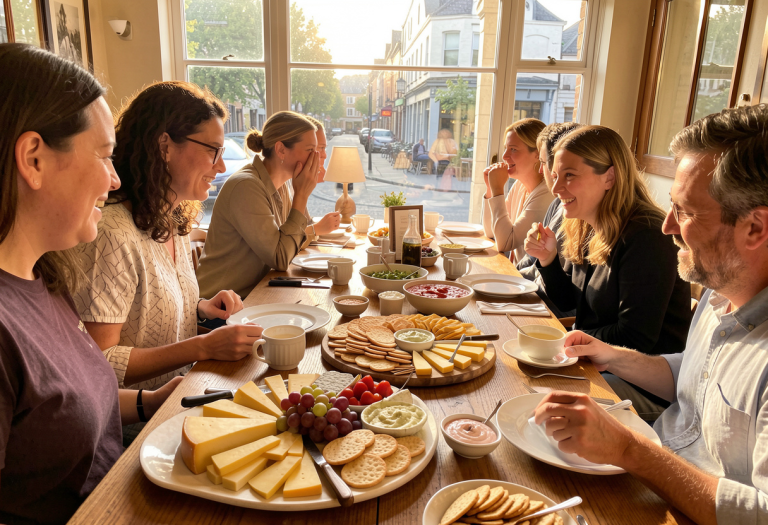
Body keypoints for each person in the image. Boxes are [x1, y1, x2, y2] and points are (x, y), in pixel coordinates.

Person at [533, 105, 768, 525]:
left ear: (755, 228)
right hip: (655, 474)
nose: (668, 227)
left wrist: (627, 449)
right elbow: (693, 375)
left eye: (687, 212)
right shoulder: (718, 299)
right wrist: (612, 354)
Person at [0, 43, 179, 524]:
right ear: (33, 159)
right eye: (104, 156)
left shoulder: (45, 275)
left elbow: (59, 410)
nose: (116, 180)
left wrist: (152, 402)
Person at [71, 82, 263, 400]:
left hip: (184, 394)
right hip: (136, 424)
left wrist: (201, 310)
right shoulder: (111, 235)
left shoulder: (172, 221)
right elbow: (97, 362)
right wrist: (203, 346)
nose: (222, 165)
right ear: (165, 146)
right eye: (212, 150)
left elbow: (146, 317)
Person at [524, 125, 692, 419]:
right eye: (555, 175)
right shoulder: (585, 224)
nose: (556, 187)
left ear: (609, 177)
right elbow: (570, 303)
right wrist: (549, 260)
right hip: (598, 363)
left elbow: (635, 337)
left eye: (570, 176)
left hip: (647, 386)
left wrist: (568, 339)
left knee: (536, 396)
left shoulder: (648, 236)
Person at [196, 111, 322, 299]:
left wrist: (300, 191)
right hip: (220, 310)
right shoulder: (246, 186)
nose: (317, 157)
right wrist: (302, 194)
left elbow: (294, 240)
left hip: (257, 295)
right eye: (310, 150)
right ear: (281, 150)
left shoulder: (283, 185)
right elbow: (280, 258)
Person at [517, 122, 581, 318]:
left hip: (547, 311)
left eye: (542, 163)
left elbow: (567, 302)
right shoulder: (557, 203)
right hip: (535, 300)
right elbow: (532, 259)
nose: (541, 170)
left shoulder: (578, 211)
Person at [482, 118, 554, 264]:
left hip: (529, 280)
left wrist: (497, 190)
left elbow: (506, 242)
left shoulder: (546, 194)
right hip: (516, 275)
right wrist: (490, 190)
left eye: (513, 149)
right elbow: (490, 231)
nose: (504, 156)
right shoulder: (519, 186)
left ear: (537, 154)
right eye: (505, 148)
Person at [300, 116, 342, 246]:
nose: (324, 155)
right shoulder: (284, 184)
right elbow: (284, 243)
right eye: (321, 148)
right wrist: (317, 228)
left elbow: (304, 224)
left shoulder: (296, 181)